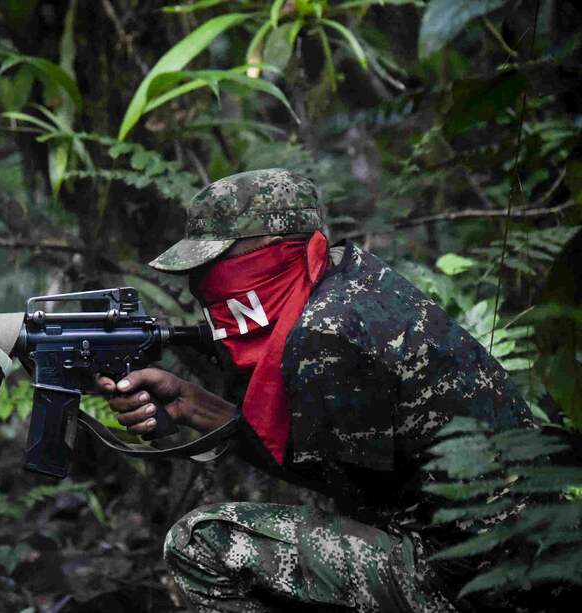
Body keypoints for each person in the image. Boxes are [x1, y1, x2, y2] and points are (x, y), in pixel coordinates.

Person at [96, 169, 531, 612]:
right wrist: (196, 406)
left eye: (218, 262)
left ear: (275, 249)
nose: (205, 281)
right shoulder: (352, 278)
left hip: (475, 583)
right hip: (522, 552)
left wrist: (210, 416)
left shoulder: (324, 336)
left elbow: (352, 500)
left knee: (202, 542)